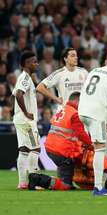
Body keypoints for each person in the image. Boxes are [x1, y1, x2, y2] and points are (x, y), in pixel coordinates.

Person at [78, 51, 107, 196]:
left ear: (105, 61)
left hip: (83, 111)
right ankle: (98, 188)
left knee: (105, 136)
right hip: (96, 113)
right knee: (99, 149)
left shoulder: (93, 71)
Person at [42, 92, 93, 190]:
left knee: (65, 171)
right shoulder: (74, 114)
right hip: (61, 150)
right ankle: (43, 181)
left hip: (50, 147)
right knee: (65, 185)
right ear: (77, 101)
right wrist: (91, 145)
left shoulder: (63, 110)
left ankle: (59, 182)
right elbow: (81, 134)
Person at [13, 51, 40, 189]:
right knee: (35, 148)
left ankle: (22, 182)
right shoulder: (25, 78)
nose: (37, 64)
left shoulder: (26, 77)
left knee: (23, 150)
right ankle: (34, 182)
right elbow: (18, 94)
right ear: (27, 63)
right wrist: (27, 113)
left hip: (19, 119)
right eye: (34, 62)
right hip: (26, 120)